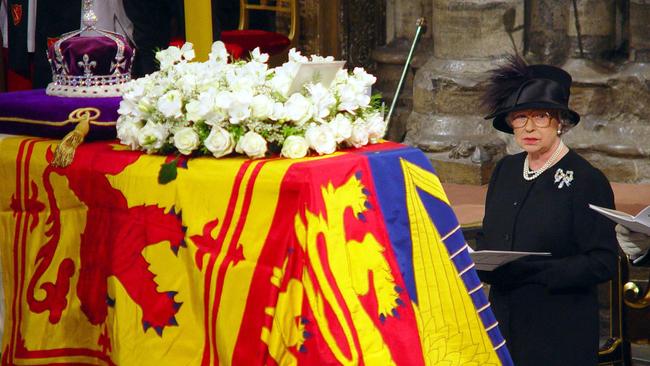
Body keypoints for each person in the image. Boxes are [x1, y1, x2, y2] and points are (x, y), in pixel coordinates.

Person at [477, 55, 618, 366]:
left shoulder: (586, 180)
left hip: (558, 331)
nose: (529, 127)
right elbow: (489, 237)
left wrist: (537, 272)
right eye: (520, 116)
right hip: (503, 325)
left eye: (540, 116)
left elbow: (603, 262)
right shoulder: (506, 170)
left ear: (560, 122)